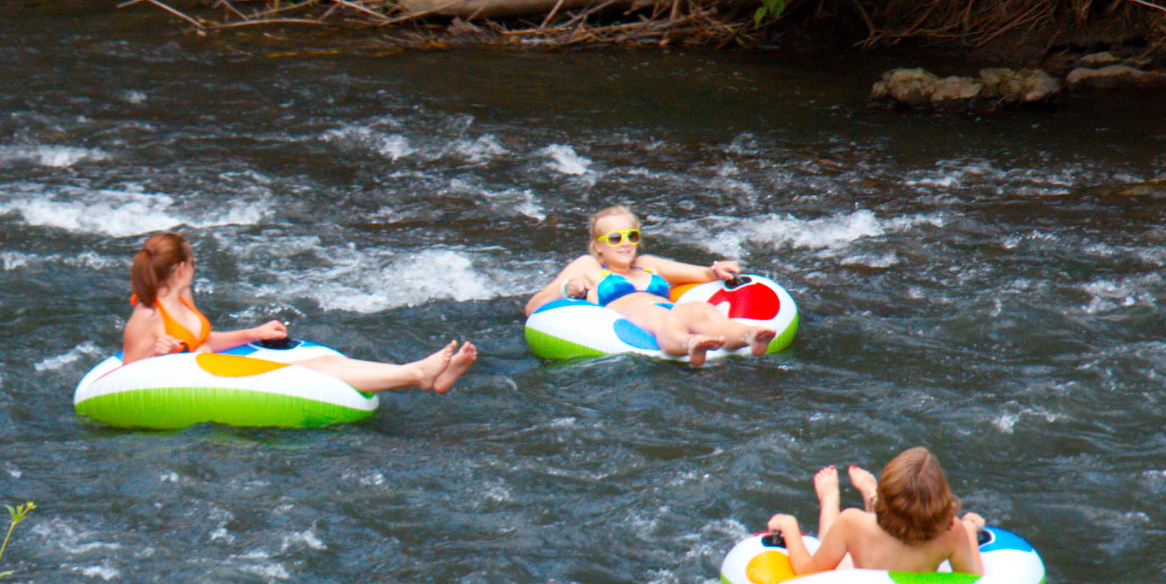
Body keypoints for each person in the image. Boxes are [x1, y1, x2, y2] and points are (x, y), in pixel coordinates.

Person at [120, 230, 475, 393]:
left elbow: (204, 338)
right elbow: (126, 376)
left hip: (212, 367)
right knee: (319, 371)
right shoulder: (147, 316)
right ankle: (419, 377)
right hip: (199, 382)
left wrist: (251, 334)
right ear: (180, 268)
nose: (196, 268)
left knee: (327, 362)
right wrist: (155, 352)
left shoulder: (184, 297)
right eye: (194, 262)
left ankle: (424, 377)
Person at [525, 205, 776, 366]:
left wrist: (716, 270)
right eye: (615, 238)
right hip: (634, 314)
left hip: (669, 308)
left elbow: (700, 274)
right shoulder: (589, 266)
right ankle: (690, 344)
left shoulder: (646, 264)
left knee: (702, 310)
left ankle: (748, 335)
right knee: (660, 318)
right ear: (598, 245)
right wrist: (567, 289)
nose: (625, 244)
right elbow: (533, 306)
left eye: (631, 236)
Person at [763, 448, 986, 579]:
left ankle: (830, 498)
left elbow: (807, 573)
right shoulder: (952, 530)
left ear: (886, 490)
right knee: (859, 527)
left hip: (860, 565)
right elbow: (974, 579)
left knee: (838, 532)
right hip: (903, 563)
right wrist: (968, 528)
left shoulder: (851, 522)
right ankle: (868, 493)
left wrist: (789, 524)